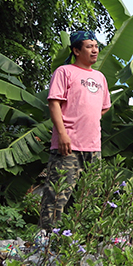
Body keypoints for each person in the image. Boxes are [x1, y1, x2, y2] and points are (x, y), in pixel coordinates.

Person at [39, 30, 111, 230]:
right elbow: (54, 103)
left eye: (96, 46)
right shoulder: (64, 72)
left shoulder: (100, 77)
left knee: (89, 197)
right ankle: (47, 241)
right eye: (89, 46)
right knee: (57, 196)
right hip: (68, 145)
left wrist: (89, 121)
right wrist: (62, 133)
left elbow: (104, 107)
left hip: (93, 147)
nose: (95, 50)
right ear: (76, 51)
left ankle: (77, 242)